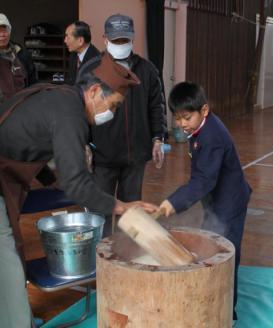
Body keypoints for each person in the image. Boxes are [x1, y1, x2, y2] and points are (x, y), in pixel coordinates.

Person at [0, 53, 158, 328]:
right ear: (95, 91)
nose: (113, 112)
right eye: (114, 104)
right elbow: (76, 183)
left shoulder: (62, 95)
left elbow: (30, 140)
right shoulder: (71, 114)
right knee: (7, 262)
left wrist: (50, 180)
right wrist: (122, 206)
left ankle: (13, 316)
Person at [158, 81, 252, 320]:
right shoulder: (199, 129)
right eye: (177, 119)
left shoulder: (213, 137)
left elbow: (203, 181)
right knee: (210, 246)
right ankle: (207, 299)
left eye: (186, 118)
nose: (181, 124)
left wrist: (173, 202)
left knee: (227, 255)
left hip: (229, 202)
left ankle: (226, 313)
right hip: (215, 200)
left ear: (205, 110)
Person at [79, 14, 166, 236]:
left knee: (132, 212)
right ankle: (102, 254)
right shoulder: (90, 70)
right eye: (116, 40)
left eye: (124, 40)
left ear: (133, 38)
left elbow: (156, 106)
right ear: (105, 38)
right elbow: (79, 109)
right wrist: (83, 143)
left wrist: (158, 138)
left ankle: (127, 254)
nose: (120, 45)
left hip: (135, 157)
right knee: (102, 210)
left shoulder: (146, 70)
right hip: (103, 157)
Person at [0, 13, 36, 103]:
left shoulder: (22, 54)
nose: (2, 35)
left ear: (9, 32)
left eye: (5, 30)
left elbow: (33, 82)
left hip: (21, 107)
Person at [64, 20, 100, 85]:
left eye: (68, 37)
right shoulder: (73, 54)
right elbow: (71, 79)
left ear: (80, 41)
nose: (65, 41)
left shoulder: (96, 60)